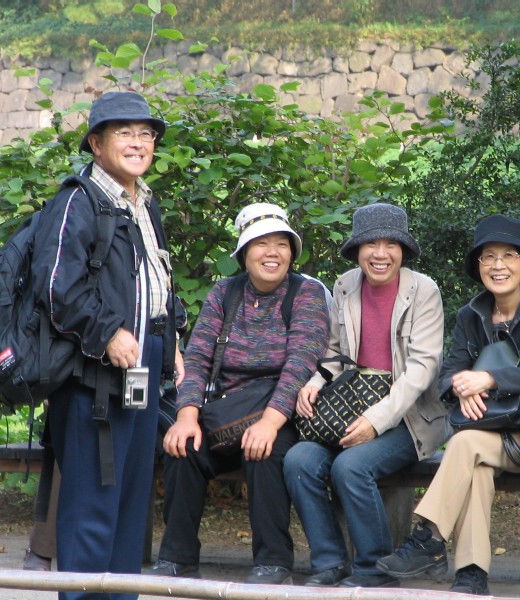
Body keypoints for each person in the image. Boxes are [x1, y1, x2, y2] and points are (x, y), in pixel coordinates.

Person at [30, 91, 185, 599]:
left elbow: (158, 281)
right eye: (125, 133)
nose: (139, 143)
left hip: (144, 362)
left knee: (130, 502)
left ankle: (121, 596)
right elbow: (56, 286)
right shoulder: (77, 201)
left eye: (147, 134)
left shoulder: (145, 202)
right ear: (96, 144)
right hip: (92, 370)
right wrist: (107, 333)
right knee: (91, 503)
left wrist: (170, 338)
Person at [375, 214, 520, 595]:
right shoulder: (470, 314)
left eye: (509, 255)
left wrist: (490, 378)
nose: (498, 265)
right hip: (483, 434)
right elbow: (448, 373)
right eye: (488, 256)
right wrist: (461, 386)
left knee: (462, 443)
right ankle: (471, 576)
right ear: (478, 266)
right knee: (474, 468)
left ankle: (430, 537)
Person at [148, 203, 329, 584]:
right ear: (244, 253)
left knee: (262, 449)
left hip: (282, 411)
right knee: (183, 446)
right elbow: (197, 358)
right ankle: (178, 557)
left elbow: (301, 363)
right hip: (226, 410)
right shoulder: (225, 292)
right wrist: (187, 415)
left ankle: (273, 561)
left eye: (282, 244)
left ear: (292, 253)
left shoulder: (306, 293)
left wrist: (269, 423)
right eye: (261, 243)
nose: (272, 253)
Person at [284, 202, 447, 589]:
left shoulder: (424, 291)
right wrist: (316, 381)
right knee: (299, 459)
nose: (380, 253)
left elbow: (421, 369)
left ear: (403, 251)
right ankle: (330, 561)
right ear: (357, 250)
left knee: (351, 466)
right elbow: (335, 351)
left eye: (391, 244)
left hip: (408, 419)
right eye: (371, 244)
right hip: (350, 405)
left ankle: (375, 569)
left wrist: (376, 422)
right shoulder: (345, 285)